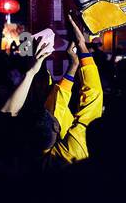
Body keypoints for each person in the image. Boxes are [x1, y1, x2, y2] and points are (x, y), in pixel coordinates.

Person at [40, 19, 102, 166]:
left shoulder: (28, 160)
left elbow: (56, 109)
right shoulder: (73, 153)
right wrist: (82, 48)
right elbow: (92, 99)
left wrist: (74, 64)